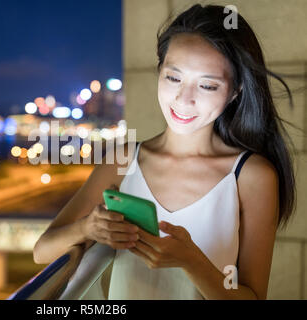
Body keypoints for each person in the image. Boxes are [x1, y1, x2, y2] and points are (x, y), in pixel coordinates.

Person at [33, 4, 298, 300]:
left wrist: (191, 260)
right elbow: (42, 251)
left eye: (208, 85)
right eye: (174, 78)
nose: (184, 99)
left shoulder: (251, 175)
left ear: (235, 91)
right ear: (160, 71)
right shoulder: (123, 161)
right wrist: (89, 228)